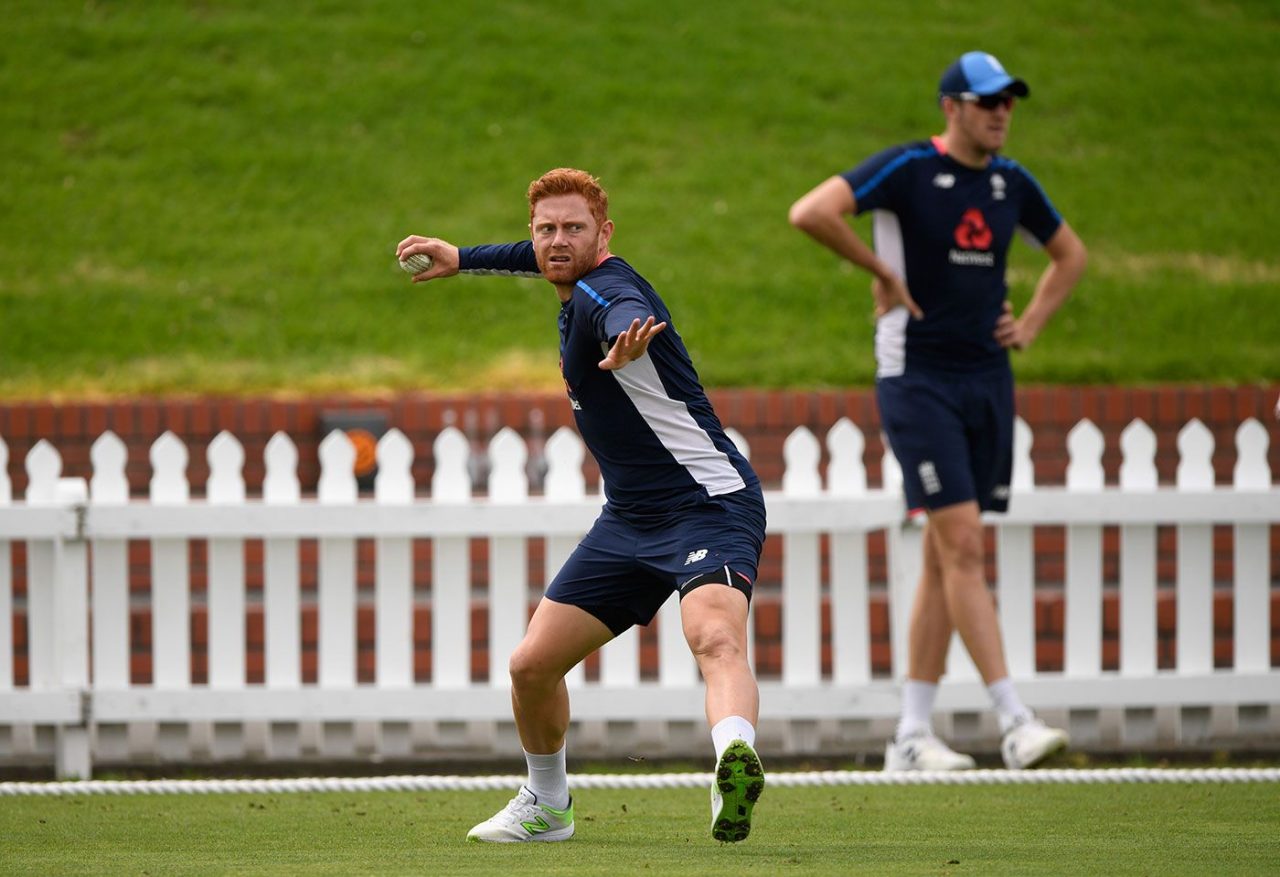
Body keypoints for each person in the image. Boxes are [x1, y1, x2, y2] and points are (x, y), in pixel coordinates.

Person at [397, 168, 766, 841]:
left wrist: (631, 337)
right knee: (531, 665)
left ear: (606, 233)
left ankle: (733, 763)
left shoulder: (608, 291)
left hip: (708, 505)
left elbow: (620, 304)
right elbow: (540, 259)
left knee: (713, 634)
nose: (556, 241)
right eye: (546, 229)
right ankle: (547, 803)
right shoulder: (564, 266)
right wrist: (464, 257)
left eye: (574, 227)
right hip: (629, 518)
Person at [789, 52, 1087, 771]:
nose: (1001, 112)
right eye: (986, 101)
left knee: (941, 552)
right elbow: (811, 211)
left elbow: (1070, 255)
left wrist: (1033, 325)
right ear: (951, 106)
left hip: (988, 378)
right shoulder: (907, 168)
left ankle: (910, 736)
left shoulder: (1012, 183)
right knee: (963, 546)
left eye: (1009, 101)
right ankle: (1014, 720)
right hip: (916, 377)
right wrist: (881, 270)